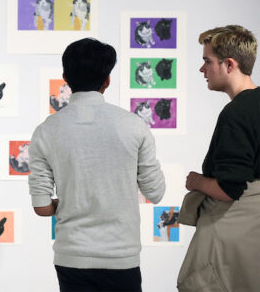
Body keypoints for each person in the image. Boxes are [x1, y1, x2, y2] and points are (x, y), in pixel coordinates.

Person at [28, 38, 165, 292]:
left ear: (65, 78)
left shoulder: (46, 131)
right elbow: (156, 193)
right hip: (121, 257)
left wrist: (65, 202)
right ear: (107, 81)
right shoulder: (134, 125)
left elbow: (41, 207)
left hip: (72, 257)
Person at [177, 25, 260, 291]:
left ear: (229, 64)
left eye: (207, 61)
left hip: (231, 238)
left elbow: (228, 188)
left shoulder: (237, 113)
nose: (202, 70)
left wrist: (196, 182)